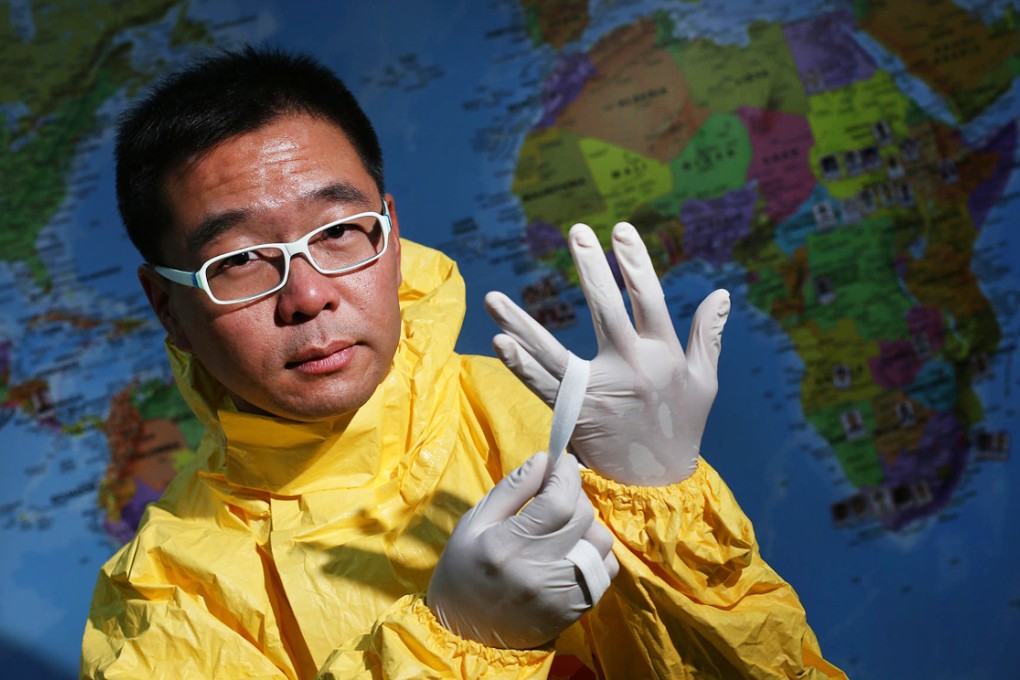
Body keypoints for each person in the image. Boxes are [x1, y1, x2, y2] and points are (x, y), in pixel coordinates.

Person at [81, 46, 845, 679]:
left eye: (340, 231)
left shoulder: (555, 418)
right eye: (243, 260)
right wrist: (455, 645)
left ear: (390, 228)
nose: (308, 295)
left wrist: (666, 503)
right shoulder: (162, 601)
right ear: (167, 307)